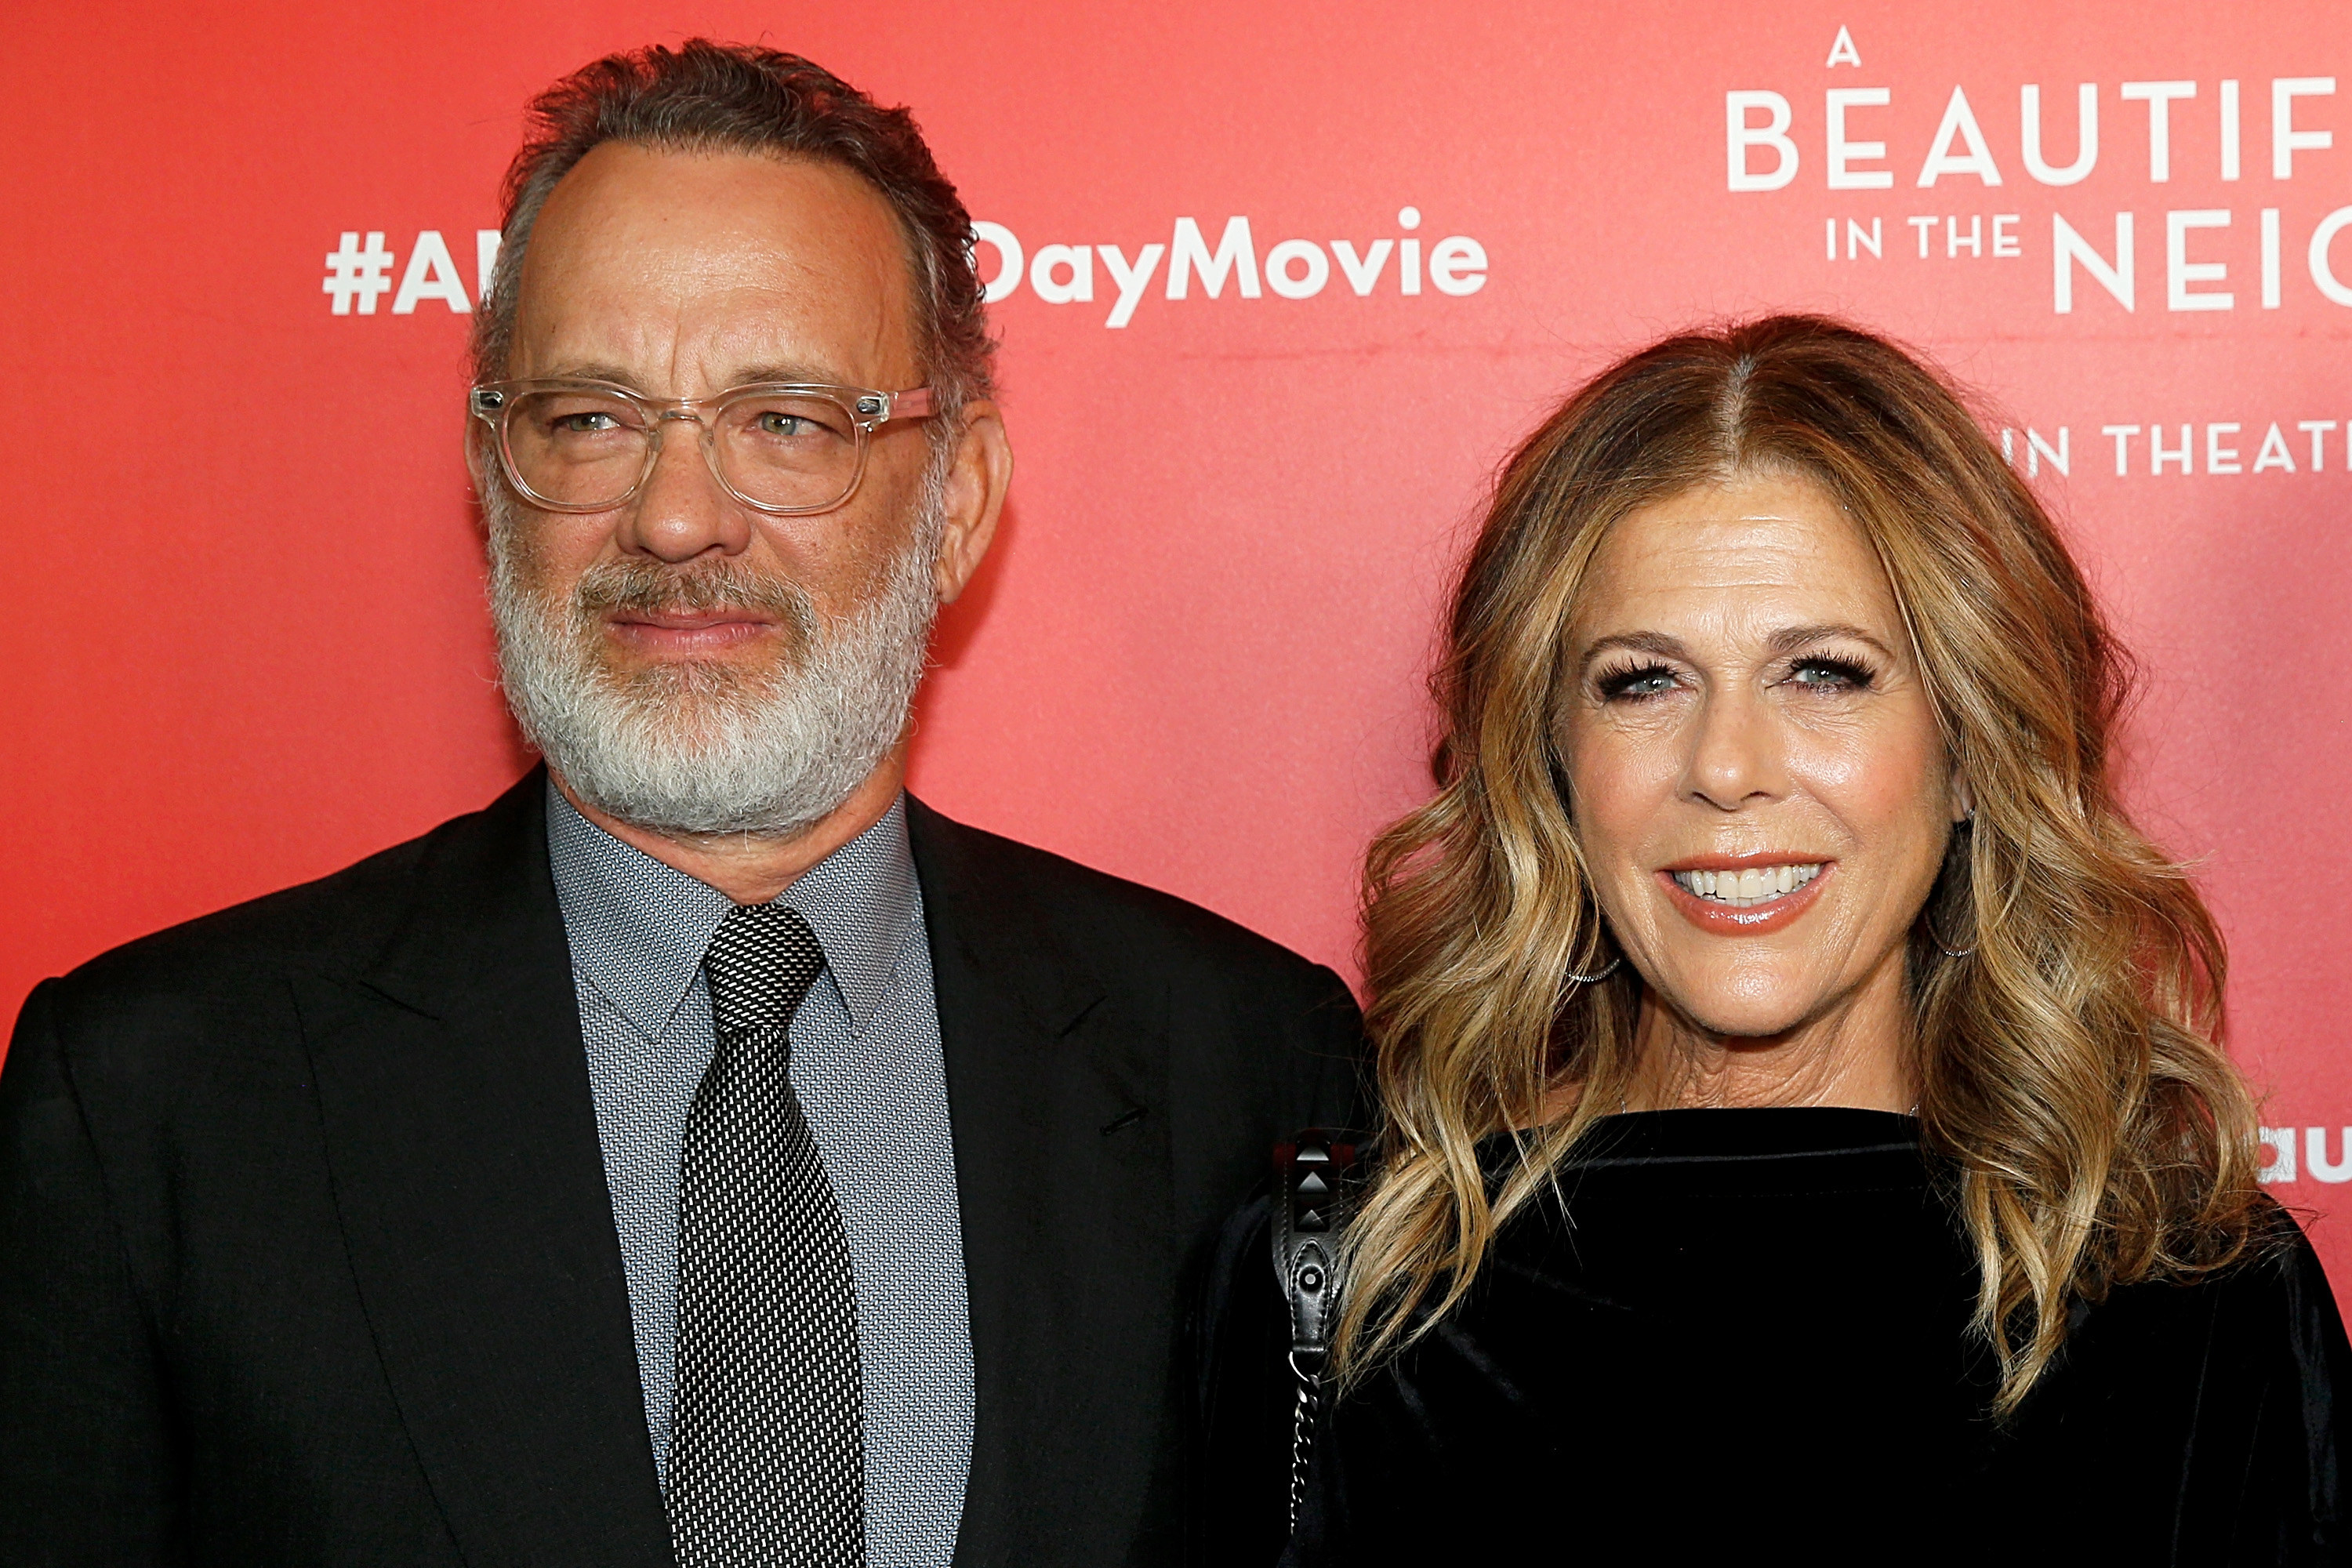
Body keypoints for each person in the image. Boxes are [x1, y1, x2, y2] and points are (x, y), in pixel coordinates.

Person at [0, 42, 1360, 1568]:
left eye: (786, 421)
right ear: (489, 467)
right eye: (591, 418)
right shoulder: (154, 1098)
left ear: (961, 496)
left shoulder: (1242, 1059)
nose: (672, 514)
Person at [1192, 316, 2350, 1565]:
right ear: (1550, 766)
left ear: (1971, 749)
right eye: (1644, 682)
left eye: (1825, 675)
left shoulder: (2191, 1307)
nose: (1728, 769)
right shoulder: (1350, 1295)